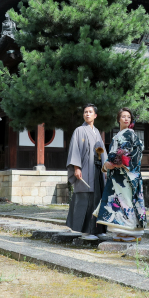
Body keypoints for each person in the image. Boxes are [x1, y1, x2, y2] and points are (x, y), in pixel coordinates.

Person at [95, 107, 146, 242]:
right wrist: (107, 165)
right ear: (118, 119)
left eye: (128, 117)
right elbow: (114, 153)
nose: (126, 119)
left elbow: (127, 153)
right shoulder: (118, 135)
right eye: (123, 116)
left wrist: (114, 162)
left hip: (125, 175)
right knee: (120, 202)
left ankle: (131, 232)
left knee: (126, 202)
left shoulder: (129, 134)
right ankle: (123, 232)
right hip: (119, 175)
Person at [65, 103, 107, 240]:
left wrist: (105, 167)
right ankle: (86, 231)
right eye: (85, 112)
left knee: (98, 198)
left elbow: (101, 151)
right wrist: (76, 167)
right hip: (85, 170)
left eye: (90, 112)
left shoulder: (97, 132)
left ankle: (98, 229)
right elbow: (75, 149)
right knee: (86, 198)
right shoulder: (79, 130)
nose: (87, 114)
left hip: (97, 170)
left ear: (95, 115)